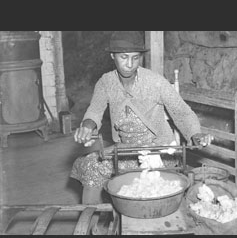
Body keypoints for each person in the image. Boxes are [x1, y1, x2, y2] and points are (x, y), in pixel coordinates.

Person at [70, 31, 213, 205]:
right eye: (123, 57)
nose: (129, 64)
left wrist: (195, 134)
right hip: (126, 149)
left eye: (135, 58)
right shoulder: (106, 83)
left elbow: (182, 112)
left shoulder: (155, 82)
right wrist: (87, 126)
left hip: (159, 151)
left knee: (135, 177)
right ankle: (90, 220)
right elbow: (95, 110)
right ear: (112, 56)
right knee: (91, 165)